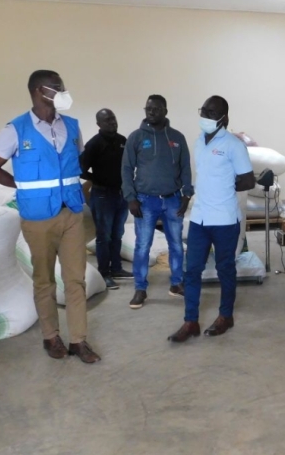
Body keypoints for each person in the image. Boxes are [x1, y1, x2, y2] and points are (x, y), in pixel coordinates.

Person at [0, 70, 100, 364]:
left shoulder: (72, 126)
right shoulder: (16, 129)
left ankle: (79, 340)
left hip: (71, 212)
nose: (63, 91)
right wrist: (20, 186)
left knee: (75, 280)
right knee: (44, 280)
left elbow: (74, 163)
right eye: (57, 87)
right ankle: (51, 336)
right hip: (37, 217)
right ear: (38, 91)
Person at [168, 95, 255, 343]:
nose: (205, 116)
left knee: (225, 269)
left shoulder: (233, 145)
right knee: (192, 270)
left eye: (211, 112)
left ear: (223, 118)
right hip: (200, 218)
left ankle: (226, 316)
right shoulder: (199, 142)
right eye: (203, 110)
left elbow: (248, 180)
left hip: (225, 219)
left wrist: (227, 185)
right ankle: (190, 321)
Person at [122, 95, 193, 309]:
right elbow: (126, 169)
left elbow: (185, 167)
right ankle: (140, 289)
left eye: (156, 109)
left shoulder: (177, 137)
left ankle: (176, 284)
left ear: (165, 111)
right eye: (148, 108)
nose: (151, 112)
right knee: (142, 246)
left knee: (176, 245)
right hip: (145, 201)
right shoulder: (136, 137)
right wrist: (131, 198)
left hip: (172, 200)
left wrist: (186, 195)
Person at [79, 109, 133, 290]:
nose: (112, 122)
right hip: (102, 196)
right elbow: (80, 168)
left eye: (113, 118)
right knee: (104, 237)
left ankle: (116, 268)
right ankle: (104, 273)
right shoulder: (94, 144)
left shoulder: (123, 141)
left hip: (121, 195)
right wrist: (96, 179)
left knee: (118, 234)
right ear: (99, 124)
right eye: (107, 120)